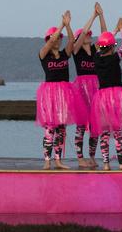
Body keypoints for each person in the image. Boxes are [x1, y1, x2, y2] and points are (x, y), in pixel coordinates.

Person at [36, 11, 85, 170]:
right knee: (50, 128)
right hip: (49, 93)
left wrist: (68, 25)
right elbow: (49, 44)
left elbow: (72, 40)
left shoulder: (64, 54)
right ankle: (47, 160)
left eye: (59, 39)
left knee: (61, 129)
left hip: (64, 94)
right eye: (54, 38)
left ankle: (58, 160)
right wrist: (61, 25)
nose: (57, 41)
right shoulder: (44, 55)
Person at [90, 16, 122, 170]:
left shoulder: (96, 58)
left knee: (105, 132)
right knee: (118, 130)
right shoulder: (115, 57)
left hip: (101, 97)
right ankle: (121, 164)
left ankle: (106, 164)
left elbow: (102, 43)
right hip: (115, 96)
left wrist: (112, 32)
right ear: (113, 48)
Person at [70, 2, 107, 168]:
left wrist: (101, 15)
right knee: (80, 125)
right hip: (81, 90)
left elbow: (105, 36)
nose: (89, 35)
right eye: (86, 35)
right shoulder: (77, 50)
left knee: (95, 126)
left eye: (90, 34)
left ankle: (92, 156)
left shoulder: (95, 51)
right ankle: (80, 158)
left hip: (95, 89)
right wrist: (93, 15)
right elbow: (84, 31)